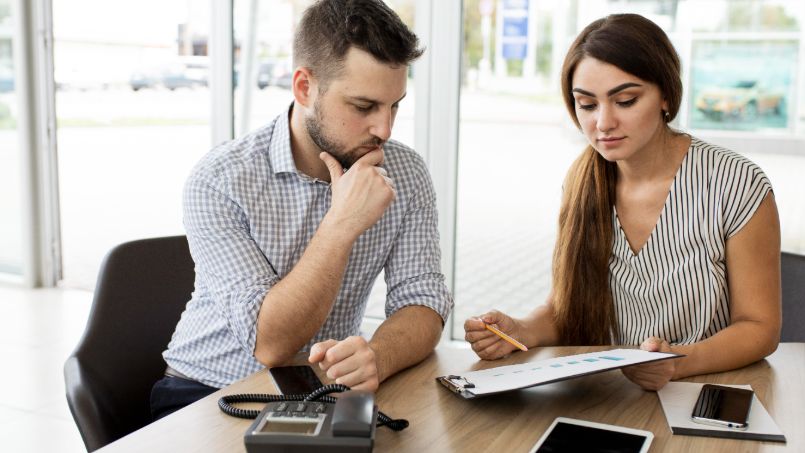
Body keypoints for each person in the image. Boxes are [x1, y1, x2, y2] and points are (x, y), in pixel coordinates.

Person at [151, 0, 453, 419]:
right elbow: (270, 345)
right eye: (364, 107)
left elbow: (423, 300)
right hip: (206, 391)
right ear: (304, 88)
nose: (384, 129)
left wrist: (378, 357)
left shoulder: (406, 172)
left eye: (395, 105)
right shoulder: (220, 179)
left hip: (319, 391)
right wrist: (341, 224)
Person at [464, 13, 781, 391]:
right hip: (614, 394)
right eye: (587, 104)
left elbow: (760, 327)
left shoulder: (737, 182)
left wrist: (677, 362)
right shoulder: (581, 182)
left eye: (625, 100)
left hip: (710, 391)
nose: (603, 123)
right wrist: (520, 330)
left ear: (666, 95)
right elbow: (565, 308)